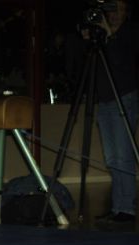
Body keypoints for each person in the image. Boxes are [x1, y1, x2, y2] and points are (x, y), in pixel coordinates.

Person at [92, 0, 138, 228]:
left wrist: (110, 37)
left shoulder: (130, 34)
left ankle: (126, 208)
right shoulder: (103, 36)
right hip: (105, 101)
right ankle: (117, 207)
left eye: (119, 9)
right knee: (112, 158)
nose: (115, 14)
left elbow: (122, 63)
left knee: (123, 156)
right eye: (112, 9)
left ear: (126, 11)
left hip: (125, 98)